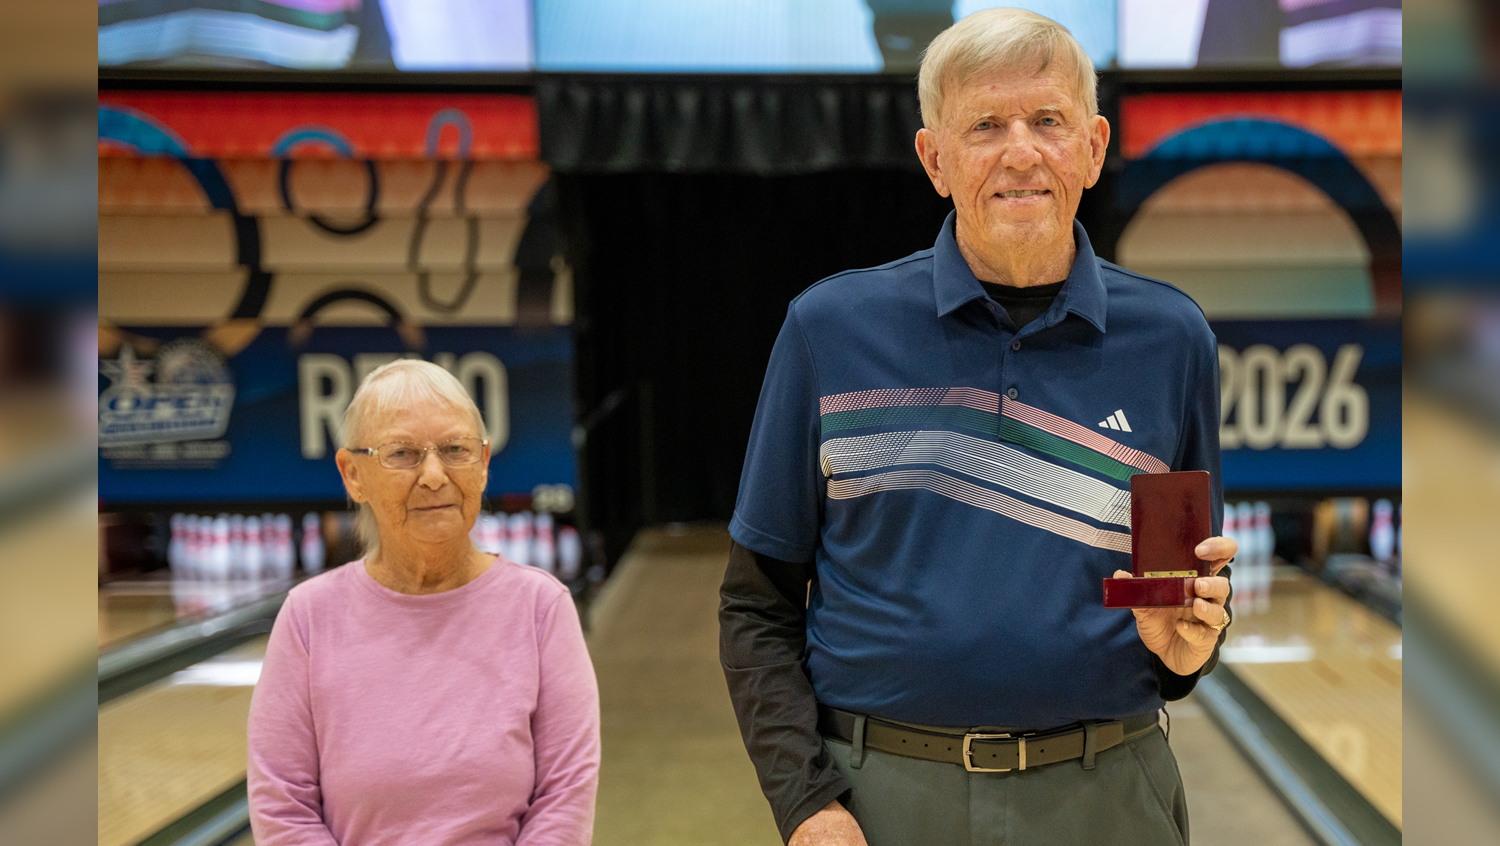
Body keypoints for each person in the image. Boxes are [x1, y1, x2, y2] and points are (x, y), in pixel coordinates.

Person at [719, 9, 1235, 846]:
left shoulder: (1173, 340)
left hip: (1110, 794)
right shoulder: (830, 328)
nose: (1021, 152)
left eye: (1048, 121)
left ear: (1095, 147)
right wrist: (805, 802)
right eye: (986, 126)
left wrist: (1191, 651)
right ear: (936, 159)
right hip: (884, 795)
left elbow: (1183, 599)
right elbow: (756, 605)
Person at [248, 359, 599, 845]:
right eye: (403, 453)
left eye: (455, 449)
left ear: (483, 463)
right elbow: (283, 806)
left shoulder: (542, 608)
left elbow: (564, 799)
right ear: (353, 475)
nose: (434, 475)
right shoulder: (308, 618)